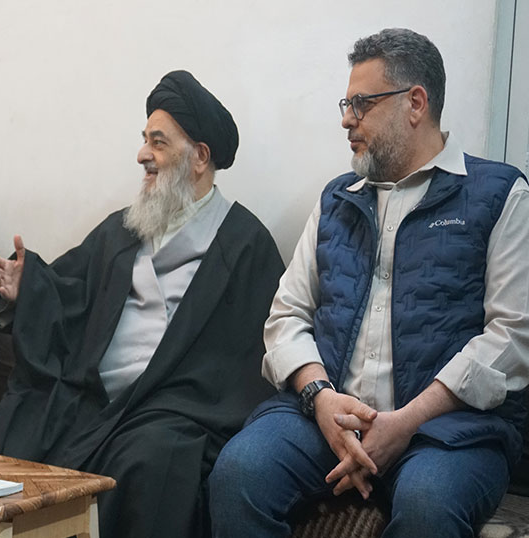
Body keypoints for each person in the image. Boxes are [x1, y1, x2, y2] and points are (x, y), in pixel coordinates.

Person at [209, 28, 529, 538]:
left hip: (448, 431)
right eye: (346, 104)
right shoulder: (338, 199)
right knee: (239, 472)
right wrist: (321, 399)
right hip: (326, 418)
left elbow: (511, 337)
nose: (346, 119)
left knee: (428, 505)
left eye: (362, 103)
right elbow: (287, 315)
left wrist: (406, 422)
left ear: (415, 103)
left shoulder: (499, 194)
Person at [0, 70, 284, 538]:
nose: (142, 155)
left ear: (199, 157)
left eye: (158, 142)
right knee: (5, 431)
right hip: (88, 399)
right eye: (144, 140)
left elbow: (247, 362)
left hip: (167, 410)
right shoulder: (125, 229)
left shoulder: (245, 246)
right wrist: (25, 285)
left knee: (150, 462)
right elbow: (70, 295)